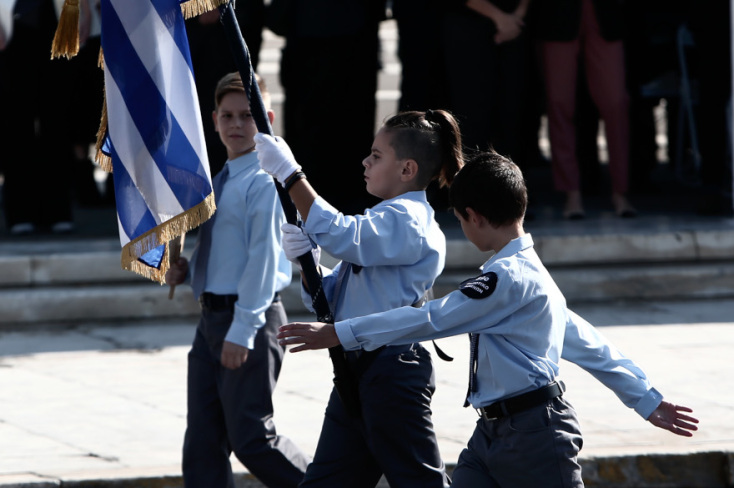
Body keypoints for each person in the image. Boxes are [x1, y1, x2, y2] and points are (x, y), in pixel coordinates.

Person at [276, 151, 700, 487]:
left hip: (536, 434)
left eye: (461, 220)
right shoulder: (529, 275)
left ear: (474, 217)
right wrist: (645, 398)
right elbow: (589, 343)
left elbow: (431, 319)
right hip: (492, 434)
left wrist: (341, 333)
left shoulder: (506, 280)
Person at [254, 109, 464, 487]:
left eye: (377, 155)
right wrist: (309, 265)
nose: (365, 162)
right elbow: (337, 296)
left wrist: (291, 175)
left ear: (407, 169)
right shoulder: (389, 216)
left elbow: (342, 235)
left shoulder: (408, 219)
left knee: (419, 482)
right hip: (360, 367)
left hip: (392, 370)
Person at [164, 72, 310, 488]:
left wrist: (243, 329)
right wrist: (188, 270)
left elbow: (263, 260)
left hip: (250, 317)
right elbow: (229, 249)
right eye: (227, 115)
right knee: (203, 443)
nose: (236, 124)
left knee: (252, 439)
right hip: (211, 318)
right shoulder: (223, 177)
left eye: (247, 116)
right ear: (213, 120)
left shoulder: (263, 180)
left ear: (267, 119)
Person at [528, 0, 637, 219]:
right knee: (559, 104)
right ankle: (571, 192)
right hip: (558, 15)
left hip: (604, 14)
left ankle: (620, 191)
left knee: (616, 103)